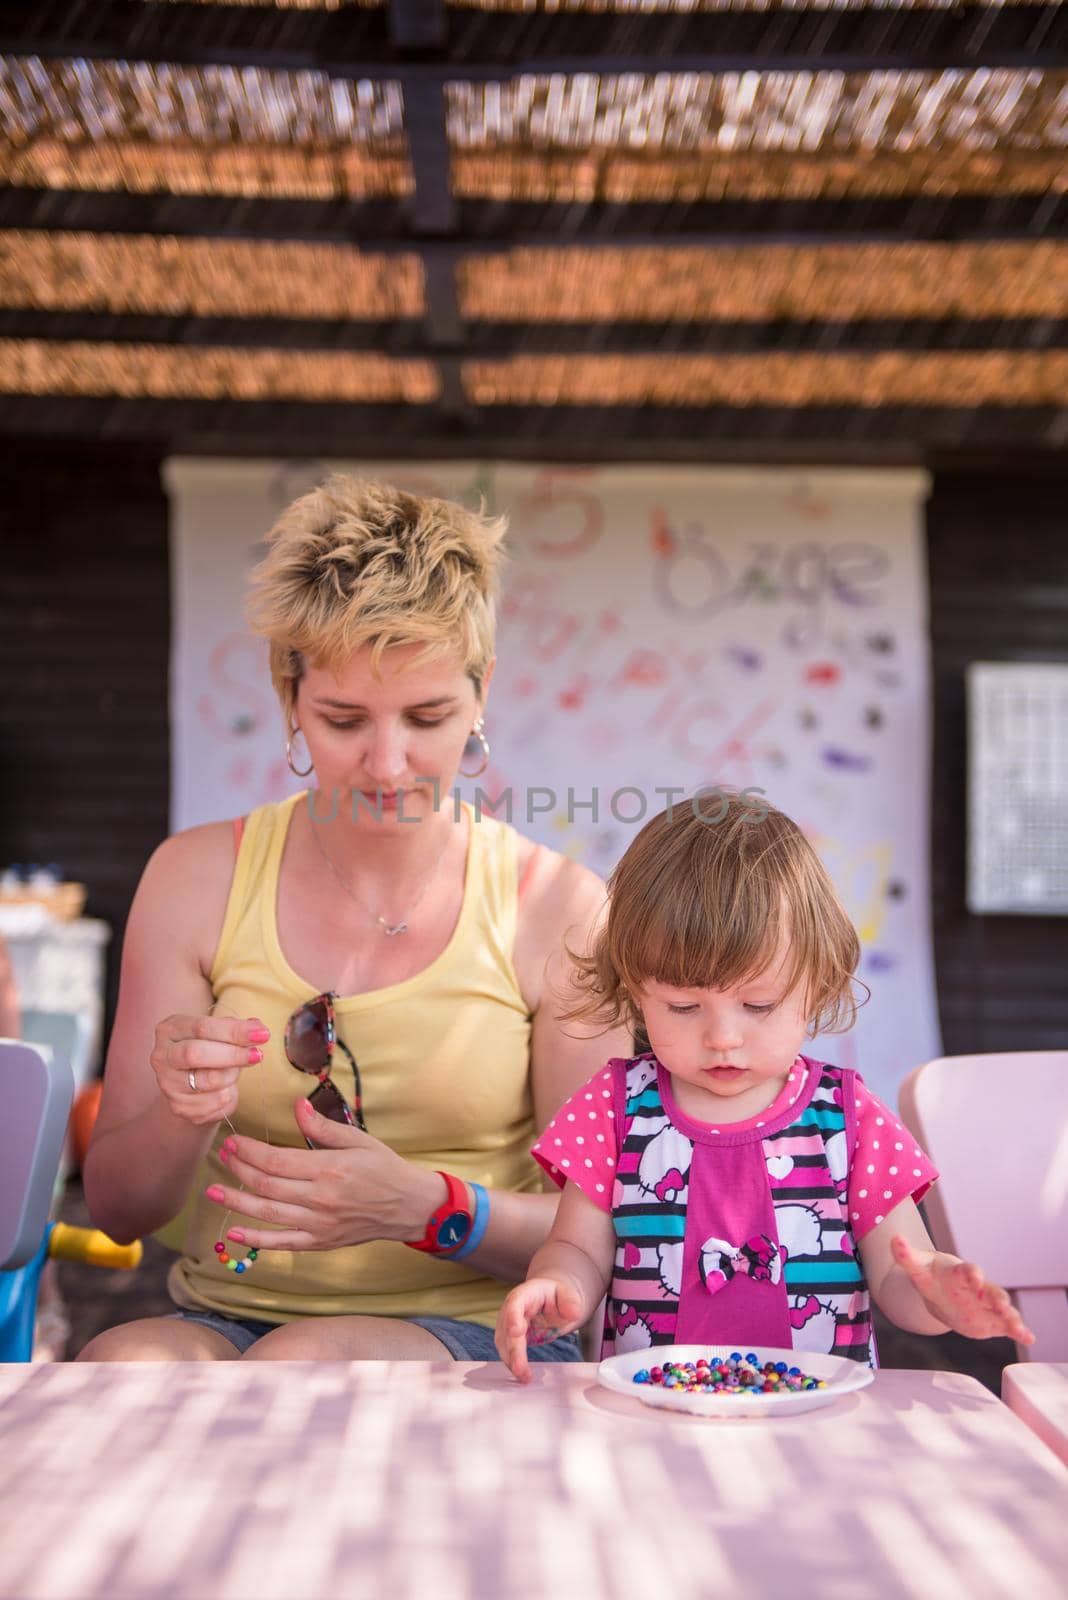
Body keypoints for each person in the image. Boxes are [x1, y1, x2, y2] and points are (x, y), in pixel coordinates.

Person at [80, 476, 630, 1362]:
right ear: (289, 695)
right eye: (344, 719)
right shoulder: (193, 878)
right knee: (124, 1367)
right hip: (221, 1315)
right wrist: (181, 1115)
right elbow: (117, 1208)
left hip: (478, 1330)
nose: (387, 763)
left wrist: (430, 1208)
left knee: (307, 1370)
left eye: (428, 716)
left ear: (482, 693)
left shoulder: (560, 907)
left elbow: (607, 1230)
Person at [495, 791, 1033, 1379]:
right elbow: (578, 1249)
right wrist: (557, 1285)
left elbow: (897, 1274)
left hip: (819, 1419)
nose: (723, 1036)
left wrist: (935, 1295)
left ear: (817, 984)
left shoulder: (846, 1116)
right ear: (634, 990)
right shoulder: (616, 1108)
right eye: (682, 1006)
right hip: (653, 1411)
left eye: (758, 1004)